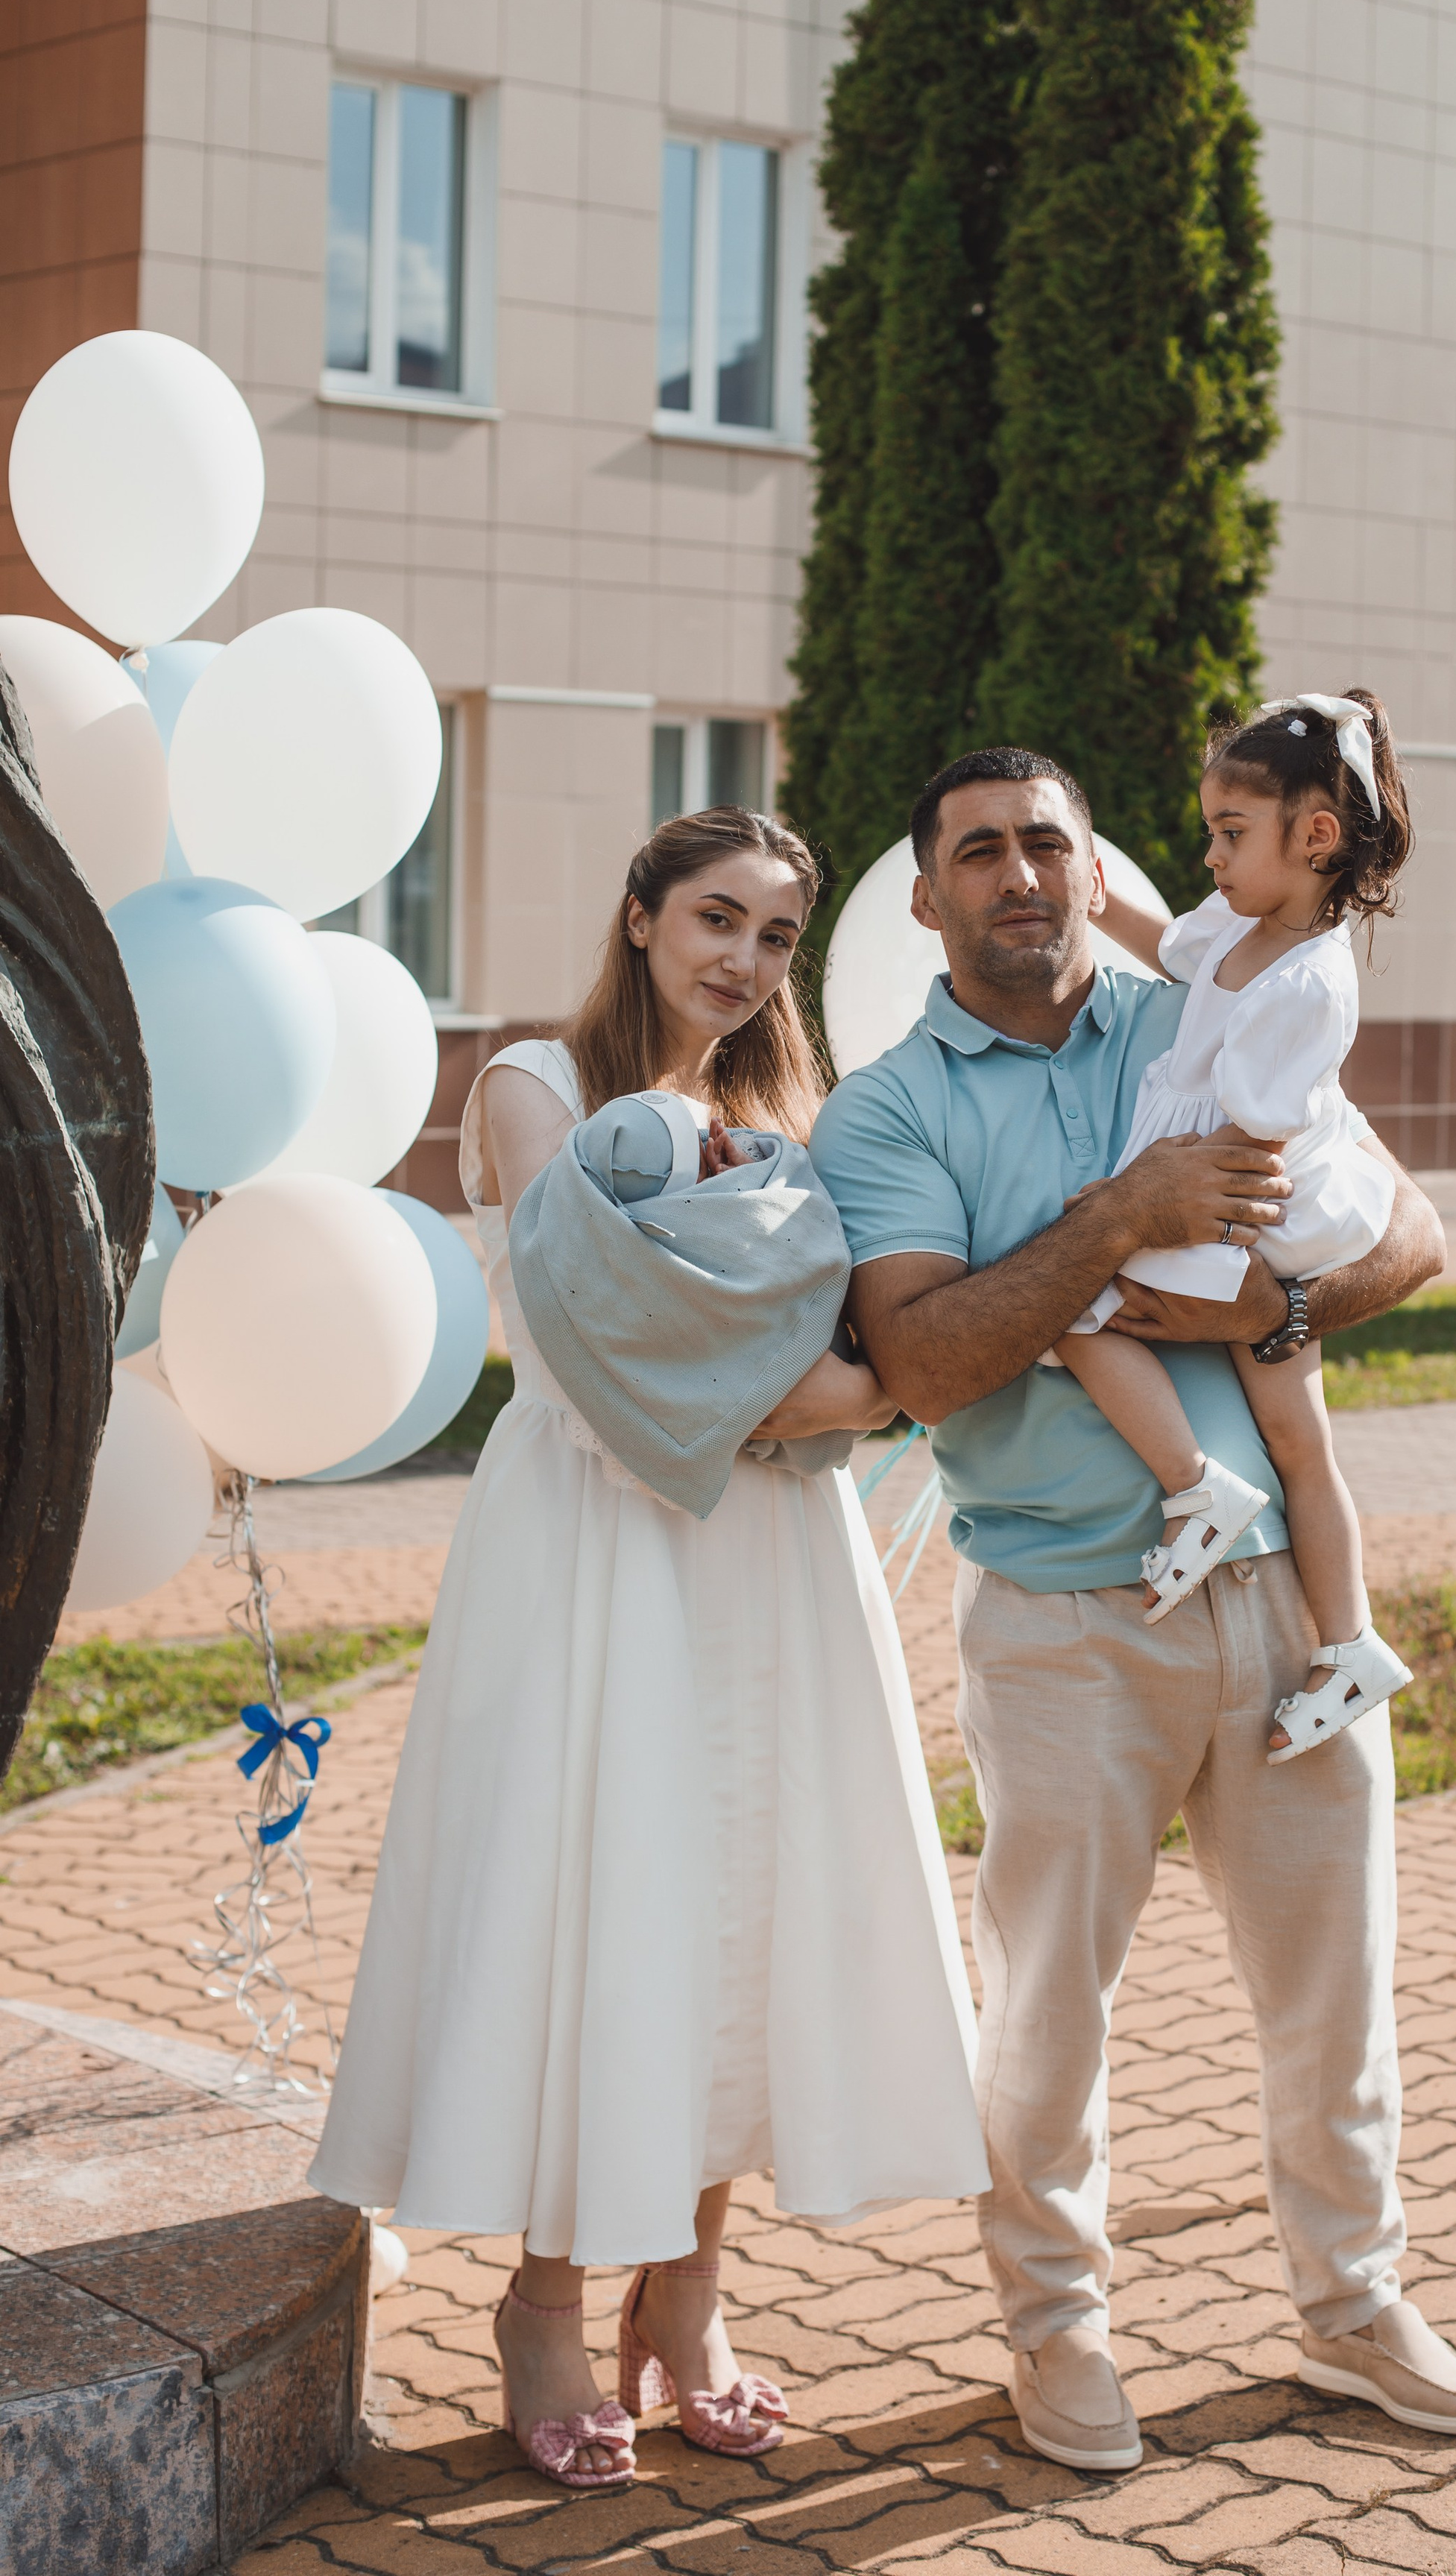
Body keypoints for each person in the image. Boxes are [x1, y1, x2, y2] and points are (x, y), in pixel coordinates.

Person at [810, 748, 1456, 2475]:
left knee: (1332, 1997)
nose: (1020, 874)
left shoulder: (1197, 1007)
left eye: (1047, 840)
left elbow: (1410, 1231)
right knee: (1049, 2013)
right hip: (1061, 1626)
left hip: (1281, 1607)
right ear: (923, 901)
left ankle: (1353, 2309)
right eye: (978, 852)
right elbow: (919, 1357)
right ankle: (1056, 2334)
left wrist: (1254, 1320)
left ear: (1088, 862)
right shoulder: (884, 1113)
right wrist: (1119, 1221)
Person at [309, 806, 989, 2492]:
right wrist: (854, 1379)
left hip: (766, 1557)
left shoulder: (792, 1119)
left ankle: (685, 2300)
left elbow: (854, 1327)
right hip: (599, 1549)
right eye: (713, 917)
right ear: (636, 915)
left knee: (742, 1911)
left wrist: (865, 1363)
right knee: (591, 1904)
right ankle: (540, 2304)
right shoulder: (535, 1085)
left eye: (774, 937)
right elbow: (617, 1324)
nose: (741, 960)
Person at [1049, 688, 1414, 1762]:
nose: (1210, 854)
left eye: (1229, 833)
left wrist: (1142, 1218)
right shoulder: (1247, 928)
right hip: (1226, 1191)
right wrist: (1101, 900)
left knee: (1072, 1303)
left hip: (1229, 1194)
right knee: (1303, 1440)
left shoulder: (1313, 977)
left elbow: (1254, 1132)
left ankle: (1197, 1488)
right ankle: (1350, 1644)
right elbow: (1176, 953)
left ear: (1314, 837)